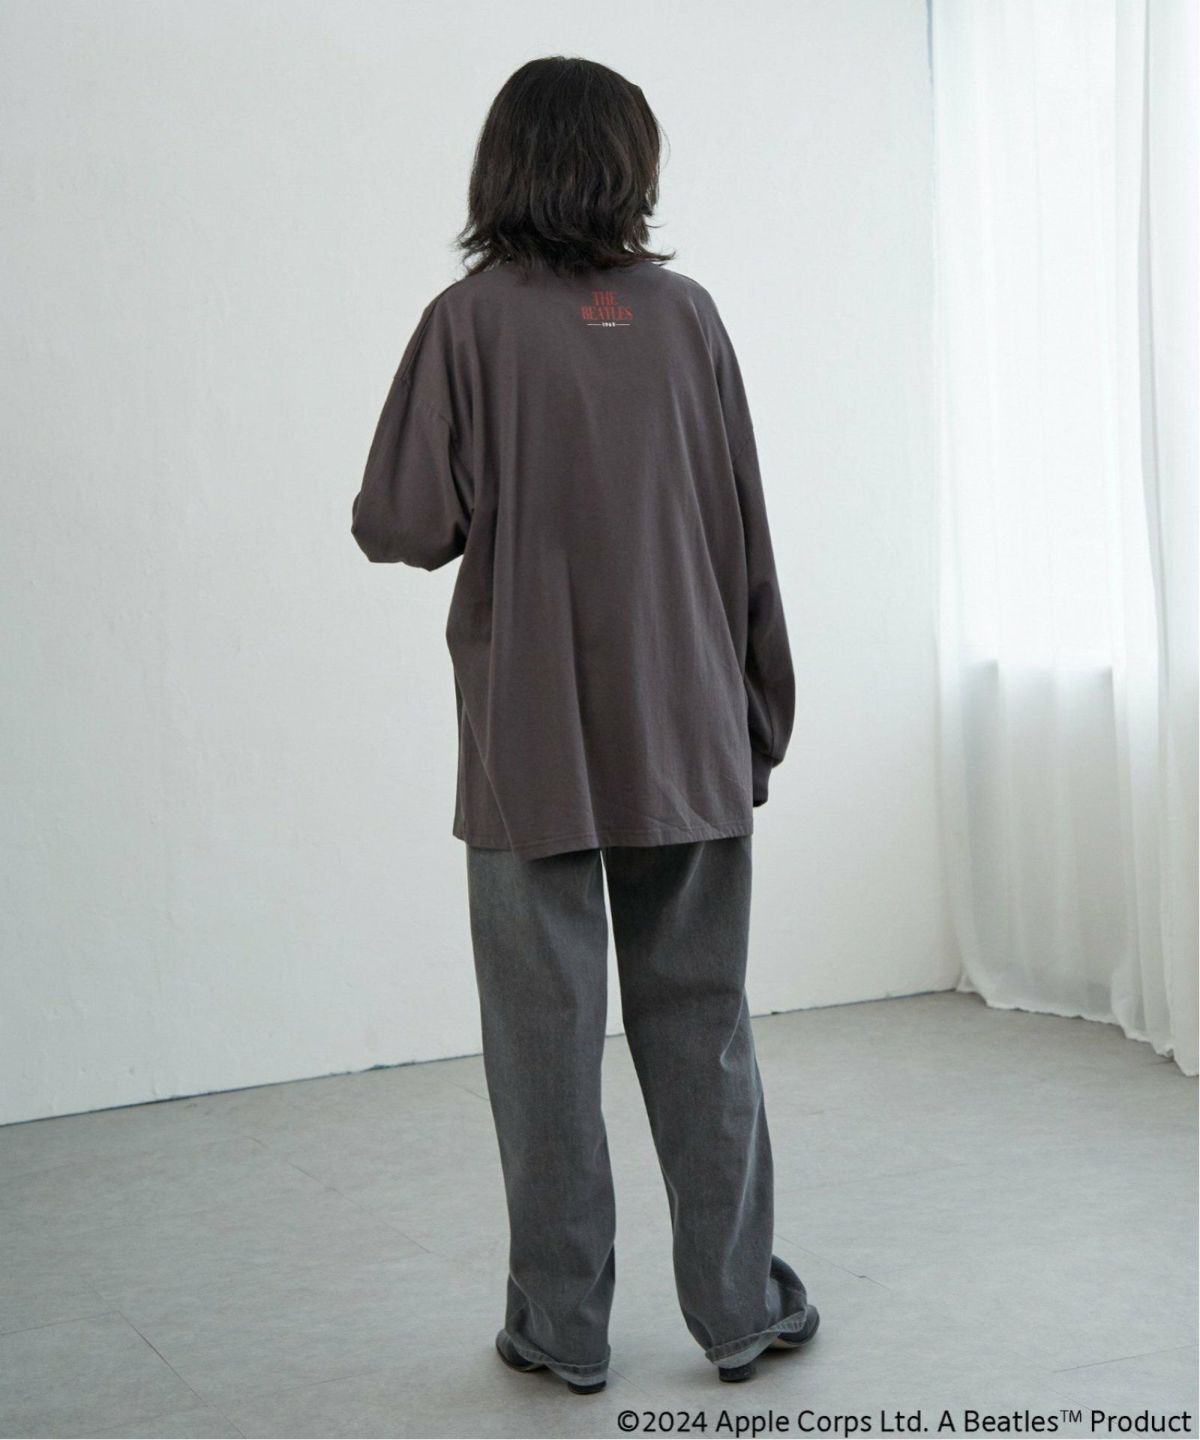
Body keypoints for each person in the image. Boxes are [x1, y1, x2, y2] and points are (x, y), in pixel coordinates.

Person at [350, 55, 817, 1393]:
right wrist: (760, 714)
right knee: (703, 1023)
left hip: (530, 746)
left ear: (502, 167)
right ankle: (738, 1312)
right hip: (689, 729)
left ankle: (560, 1329)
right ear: (630, 164)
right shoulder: (688, 317)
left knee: (542, 1047)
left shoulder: (466, 323)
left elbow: (400, 523)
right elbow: (745, 529)